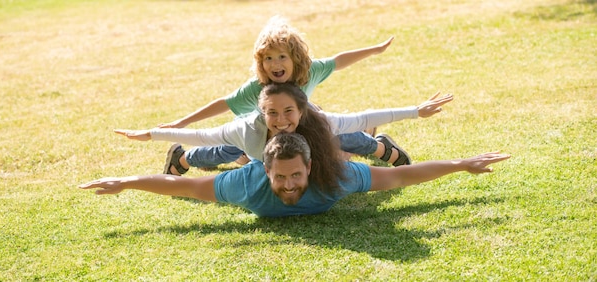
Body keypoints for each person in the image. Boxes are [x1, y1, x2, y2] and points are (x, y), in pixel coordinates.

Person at [153, 16, 412, 175]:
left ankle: (381, 147)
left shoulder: (310, 71)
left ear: (295, 58)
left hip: (301, 125)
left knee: (335, 136)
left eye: (281, 57)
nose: (275, 64)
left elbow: (338, 60)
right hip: (260, 134)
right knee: (230, 149)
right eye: (268, 58)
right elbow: (223, 103)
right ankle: (184, 158)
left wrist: (374, 50)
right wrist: (181, 124)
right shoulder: (257, 86)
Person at [79, 132, 511, 218]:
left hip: (326, 147)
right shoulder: (246, 183)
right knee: (224, 154)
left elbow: (400, 178)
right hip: (245, 155)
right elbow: (184, 187)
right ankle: (189, 152)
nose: (288, 185)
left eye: (295, 177)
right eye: (279, 178)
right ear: (263, 170)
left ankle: (376, 140)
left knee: (350, 142)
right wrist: (127, 181)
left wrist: (460, 165)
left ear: (310, 168)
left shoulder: (336, 177)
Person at [115, 82, 453, 170]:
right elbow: (202, 134)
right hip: (255, 149)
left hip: (318, 138)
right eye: (272, 114)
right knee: (224, 153)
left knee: (345, 139)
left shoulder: (315, 120)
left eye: (288, 112)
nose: (281, 120)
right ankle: (182, 160)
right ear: (261, 112)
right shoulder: (249, 128)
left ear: (301, 109)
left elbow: (365, 117)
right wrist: (151, 135)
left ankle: (384, 148)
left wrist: (415, 111)